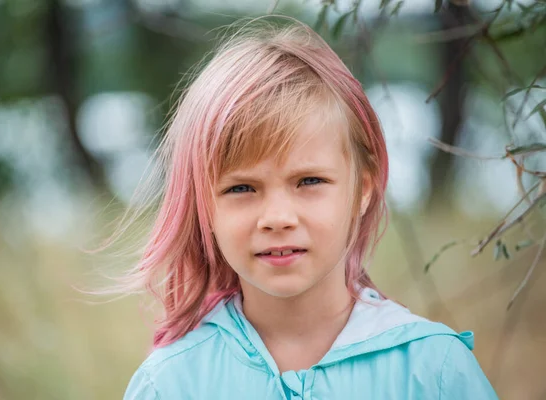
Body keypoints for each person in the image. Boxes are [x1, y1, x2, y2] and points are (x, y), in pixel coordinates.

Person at [116, 15, 499, 399]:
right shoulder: (169, 383)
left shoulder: (434, 371)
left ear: (362, 190)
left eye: (309, 182)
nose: (278, 219)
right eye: (242, 187)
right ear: (203, 204)